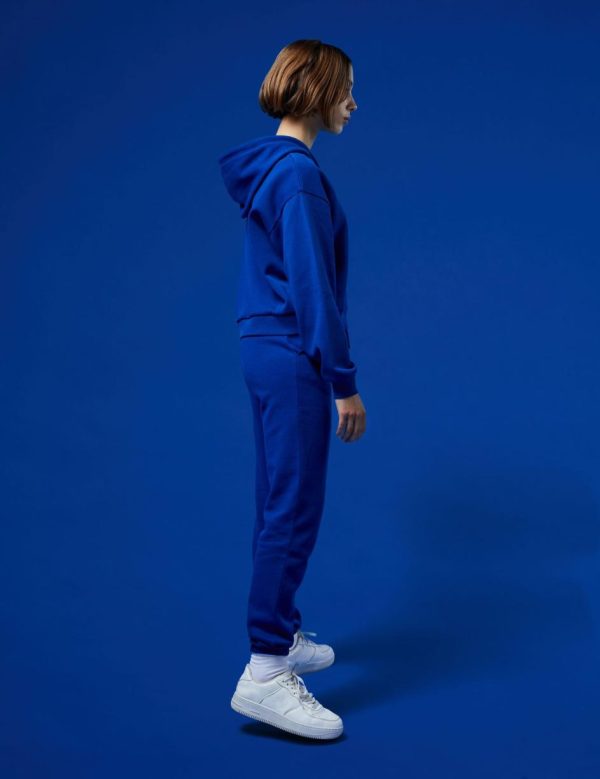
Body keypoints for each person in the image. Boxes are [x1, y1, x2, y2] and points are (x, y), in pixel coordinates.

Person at [217, 39, 366, 740]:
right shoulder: (299, 175)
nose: (353, 104)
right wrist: (344, 382)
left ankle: (278, 629)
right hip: (293, 350)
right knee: (295, 504)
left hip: (262, 344)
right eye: (346, 90)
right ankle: (266, 670)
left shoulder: (270, 168)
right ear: (317, 90)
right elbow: (313, 289)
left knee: (277, 497)